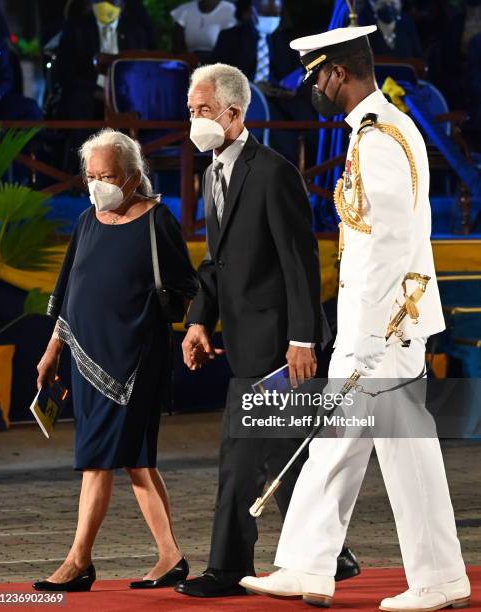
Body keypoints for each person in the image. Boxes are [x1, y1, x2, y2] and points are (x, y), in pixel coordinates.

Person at [240, 26, 470, 611]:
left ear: (338, 73)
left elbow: (391, 242)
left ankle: (440, 577)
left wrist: (367, 337)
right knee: (334, 445)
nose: (313, 87)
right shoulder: (379, 128)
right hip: (373, 326)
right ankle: (306, 566)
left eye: (316, 76)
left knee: (405, 451)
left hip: (382, 330)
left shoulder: (377, 137)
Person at [174, 63, 360, 599]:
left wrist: (303, 338)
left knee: (245, 456)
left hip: (283, 348)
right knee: (283, 458)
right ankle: (335, 555)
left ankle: (228, 569)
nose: (195, 120)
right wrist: (197, 320)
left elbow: (300, 262)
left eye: (203, 111)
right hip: (244, 342)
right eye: (191, 111)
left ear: (234, 113)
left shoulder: (273, 172)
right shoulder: (210, 173)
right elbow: (215, 263)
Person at [32, 129, 199, 592]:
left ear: (131, 176)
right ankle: (170, 556)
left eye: (106, 175)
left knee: (97, 460)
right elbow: (68, 291)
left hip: (133, 362)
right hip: (85, 360)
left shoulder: (157, 220)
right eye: (91, 176)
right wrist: (52, 350)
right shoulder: (87, 220)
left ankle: (78, 560)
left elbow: (185, 287)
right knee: (135, 460)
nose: (98, 184)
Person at [211, 0, 318, 164]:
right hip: (243, 100)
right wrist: (253, 88)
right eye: (266, 13)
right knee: (277, 129)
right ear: (252, 10)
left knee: (313, 123)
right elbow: (218, 77)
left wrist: (293, 85)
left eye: (275, 13)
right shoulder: (231, 37)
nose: (271, 18)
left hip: (281, 99)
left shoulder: (287, 40)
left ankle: (310, 179)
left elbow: (298, 72)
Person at [52, 0, 157, 120]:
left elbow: (143, 69)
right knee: (78, 101)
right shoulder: (76, 29)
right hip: (88, 94)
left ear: (122, 5)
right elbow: (65, 74)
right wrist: (97, 93)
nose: (107, 4)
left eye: (113, 1)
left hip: (125, 93)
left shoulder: (135, 32)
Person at [171, 0, 236, 63]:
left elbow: (230, 48)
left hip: (219, 64)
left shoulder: (230, 10)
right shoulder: (184, 10)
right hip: (191, 63)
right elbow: (177, 48)